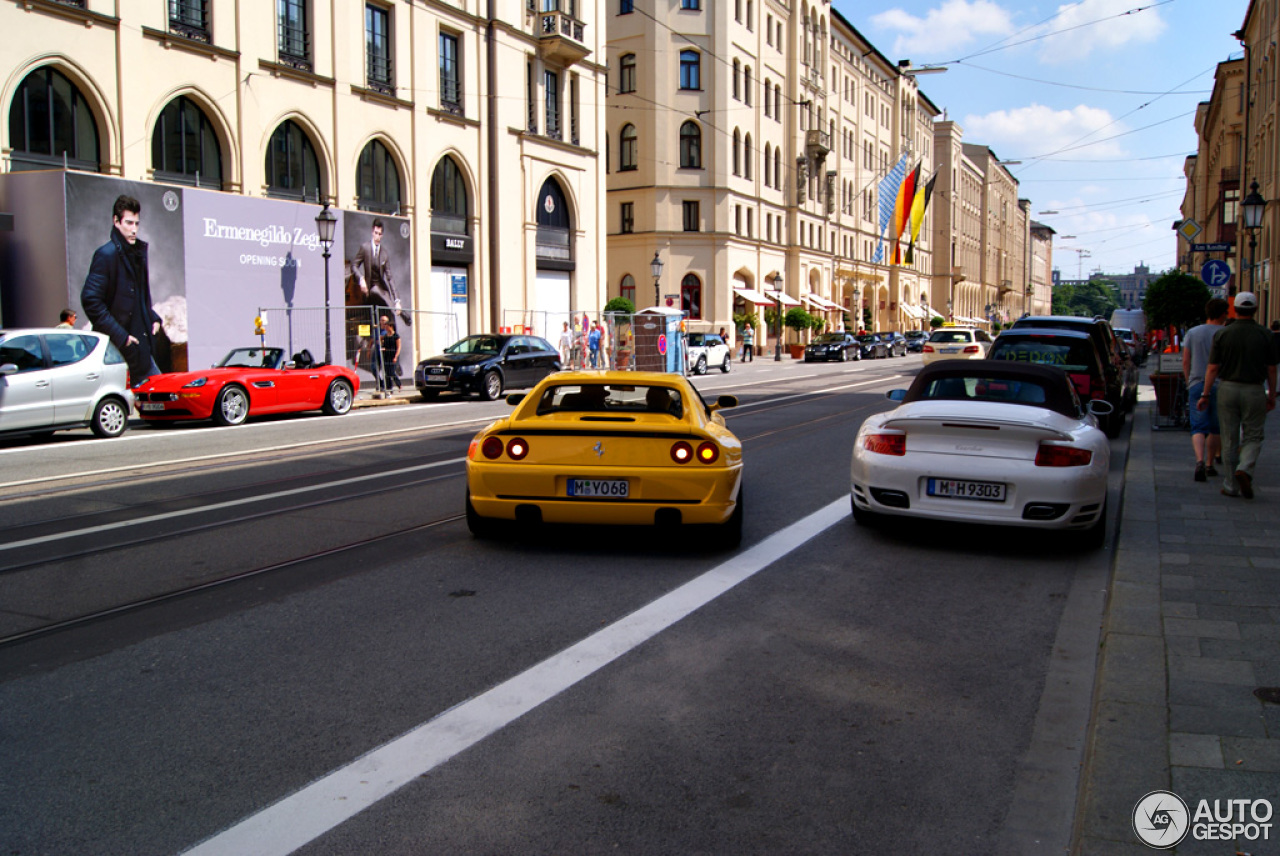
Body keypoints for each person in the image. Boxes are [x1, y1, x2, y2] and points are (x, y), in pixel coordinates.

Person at [1198, 291, 1279, 499]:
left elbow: (1213, 368)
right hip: (1254, 389)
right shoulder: (1266, 335)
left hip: (1227, 388)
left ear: (1236, 309)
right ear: (1255, 309)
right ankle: (1245, 467)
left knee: (1229, 436)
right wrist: (1271, 394)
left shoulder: (1223, 334)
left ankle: (1230, 484)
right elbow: (1271, 369)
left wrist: (1205, 394)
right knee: (1253, 434)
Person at [81, 194, 163, 387]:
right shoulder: (106, 255)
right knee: (118, 405)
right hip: (117, 350)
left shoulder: (137, 254)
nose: (134, 229)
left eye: (136, 224)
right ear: (116, 221)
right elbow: (90, 300)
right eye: (129, 223)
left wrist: (153, 318)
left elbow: (137, 300)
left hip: (139, 349)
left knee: (160, 397)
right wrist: (122, 337)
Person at [1183, 297, 1228, 482]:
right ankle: (1210, 464)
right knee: (1215, 427)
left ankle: (1199, 460)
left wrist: (1189, 382)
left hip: (1196, 383)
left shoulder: (1193, 333)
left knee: (1198, 426)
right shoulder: (1226, 333)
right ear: (1223, 314)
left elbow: (1186, 360)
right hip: (1220, 384)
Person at [352, 219, 410, 327]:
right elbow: (354, 265)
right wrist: (361, 279)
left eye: (379, 234)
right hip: (370, 290)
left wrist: (397, 300)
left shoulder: (384, 254)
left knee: (388, 319)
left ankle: (397, 312)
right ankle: (401, 314)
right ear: (372, 232)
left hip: (382, 291)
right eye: (375, 233)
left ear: (382, 235)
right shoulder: (365, 248)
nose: (377, 236)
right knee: (374, 291)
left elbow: (389, 278)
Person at [378, 314, 401, 391]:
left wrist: (396, 357)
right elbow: (380, 340)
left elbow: (398, 347)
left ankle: (399, 384)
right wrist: (382, 346)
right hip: (386, 356)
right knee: (387, 373)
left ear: (391, 326)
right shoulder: (386, 336)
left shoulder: (396, 336)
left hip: (393, 355)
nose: (386, 327)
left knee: (391, 372)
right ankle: (389, 388)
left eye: (387, 326)